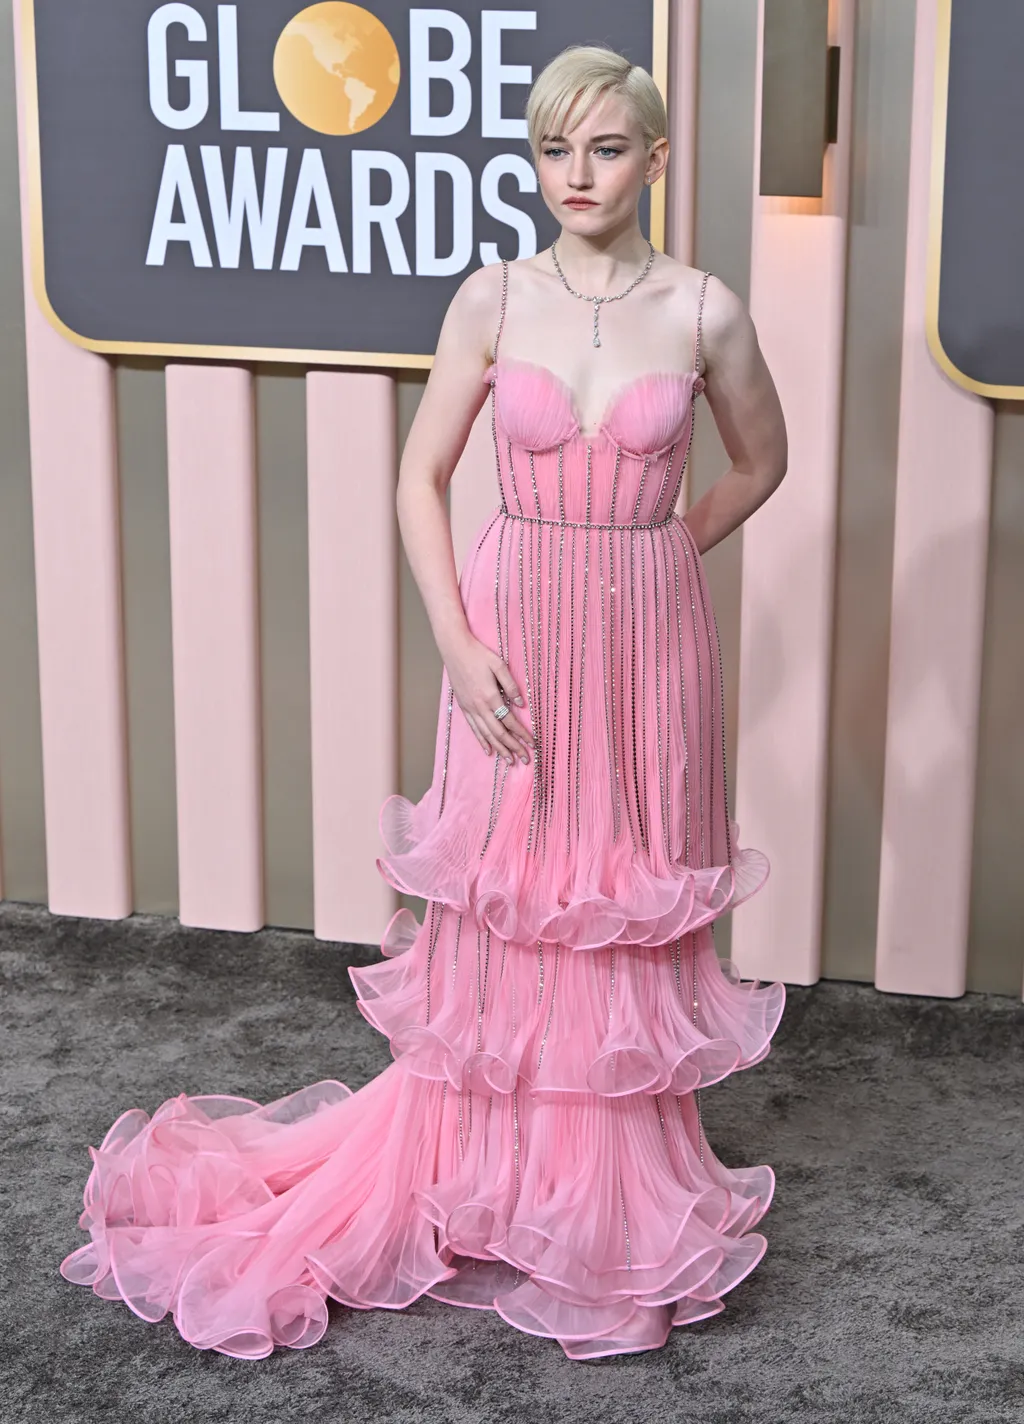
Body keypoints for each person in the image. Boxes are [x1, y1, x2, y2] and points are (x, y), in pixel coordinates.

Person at [59, 44, 789, 1361]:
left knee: (615, 893)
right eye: (557, 148)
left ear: (656, 158)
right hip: (510, 626)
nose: (580, 173)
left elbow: (763, 459)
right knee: (516, 885)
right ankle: (486, 1167)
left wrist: (667, 549)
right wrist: (458, 641)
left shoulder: (706, 309)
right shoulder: (493, 297)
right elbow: (420, 479)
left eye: (608, 148)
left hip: (649, 642)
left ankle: (602, 1186)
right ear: (534, 157)